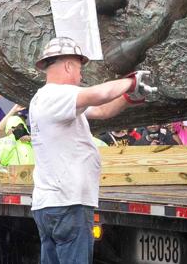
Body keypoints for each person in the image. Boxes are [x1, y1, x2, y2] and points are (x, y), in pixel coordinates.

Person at [28, 37, 154, 264]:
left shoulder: (50, 101)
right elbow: (98, 94)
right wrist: (130, 82)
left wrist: (129, 97)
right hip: (67, 203)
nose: (81, 75)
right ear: (67, 65)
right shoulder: (56, 95)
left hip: (53, 203)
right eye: (78, 67)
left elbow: (103, 110)